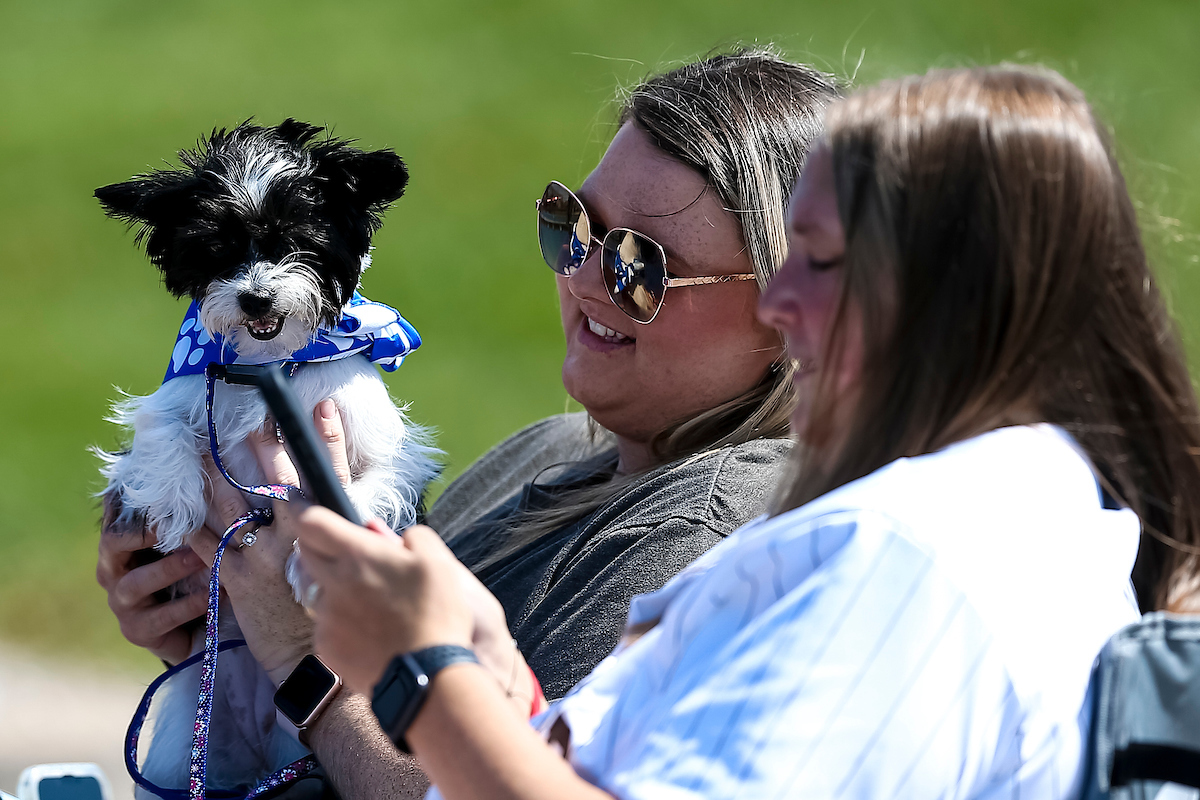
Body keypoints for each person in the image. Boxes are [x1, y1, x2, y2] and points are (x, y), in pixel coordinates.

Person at [286, 64, 1200, 799]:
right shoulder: (951, 518)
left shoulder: (904, 552)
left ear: (950, 300)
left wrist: (420, 674)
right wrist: (485, 660)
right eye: (575, 226)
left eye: (821, 261)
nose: (783, 299)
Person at [96, 50, 841, 796]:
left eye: (639, 265)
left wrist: (298, 656)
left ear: (792, 305)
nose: (579, 276)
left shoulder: (697, 539)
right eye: (572, 225)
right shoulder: (548, 453)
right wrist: (203, 615)